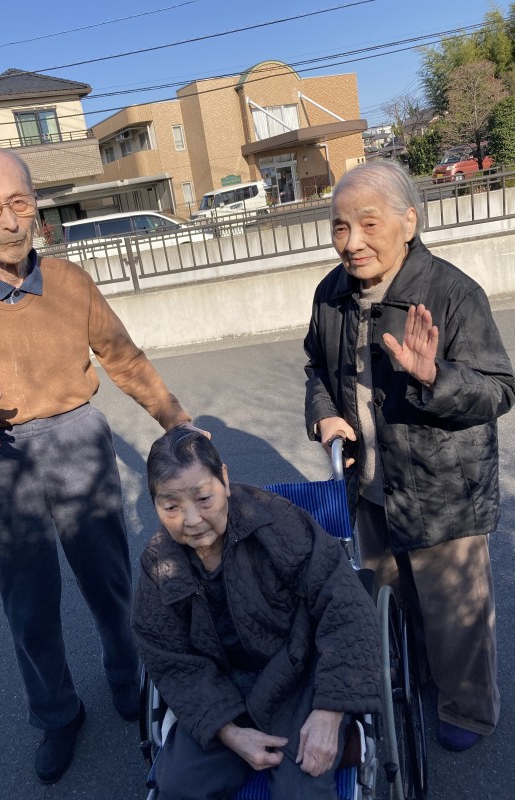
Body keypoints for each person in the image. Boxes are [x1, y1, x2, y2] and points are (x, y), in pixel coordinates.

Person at [0, 146, 205, 785]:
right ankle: (56, 713)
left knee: (110, 581)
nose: (10, 221)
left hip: (77, 438)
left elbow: (124, 358)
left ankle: (129, 678)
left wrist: (175, 420)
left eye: (19, 203)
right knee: (30, 601)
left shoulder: (71, 283)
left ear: (35, 204)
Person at [303, 160, 515, 753]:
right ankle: (418, 679)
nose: (352, 241)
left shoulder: (452, 293)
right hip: (371, 486)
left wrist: (435, 377)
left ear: (409, 222)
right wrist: (323, 413)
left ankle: (468, 709)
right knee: (393, 598)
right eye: (340, 226)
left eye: (368, 223)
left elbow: (499, 389)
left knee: (455, 615)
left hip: (443, 489)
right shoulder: (331, 294)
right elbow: (316, 366)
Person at [131, 427, 381, 800]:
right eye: (171, 507)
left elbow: (346, 606)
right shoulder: (158, 565)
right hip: (221, 691)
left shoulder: (276, 522)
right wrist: (229, 732)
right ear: (155, 505)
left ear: (224, 479)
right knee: (178, 788)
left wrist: (331, 711)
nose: (192, 519)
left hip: (299, 677)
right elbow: (171, 662)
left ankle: (345, 732)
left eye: (203, 498)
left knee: (302, 791)